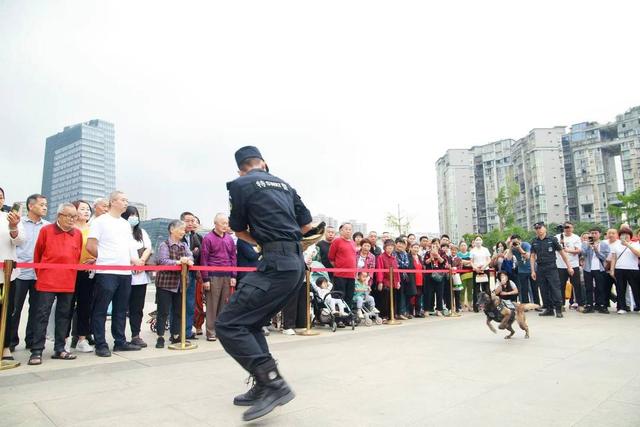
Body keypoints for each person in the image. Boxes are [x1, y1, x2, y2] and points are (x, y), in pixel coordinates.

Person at [215, 146, 313, 421]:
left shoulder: (240, 184)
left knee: (228, 324)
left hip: (274, 262)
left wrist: (261, 240)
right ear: (264, 164)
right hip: (295, 263)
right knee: (251, 321)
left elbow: (237, 229)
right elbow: (307, 226)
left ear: (240, 168)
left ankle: (273, 383)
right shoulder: (285, 184)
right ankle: (263, 383)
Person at [87, 191, 140, 357]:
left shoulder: (125, 224)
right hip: (106, 271)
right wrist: (103, 259)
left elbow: (127, 246)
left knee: (121, 309)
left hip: (124, 272)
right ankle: (100, 344)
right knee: (101, 309)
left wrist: (133, 260)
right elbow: (90, 245)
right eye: (123, 200)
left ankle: (120, 341)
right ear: (113, 202)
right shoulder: (100, 221)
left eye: (127, 200)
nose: (126, 203)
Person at [28, 203, 83, 365]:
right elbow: (38, 254)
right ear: (59, 216)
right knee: (42, 315)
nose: (73, 219)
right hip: (47, 281)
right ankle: (37, 350)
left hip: (68, 281)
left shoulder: (77, 234)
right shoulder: (46, 231)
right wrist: (43, 274)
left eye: (75, 216)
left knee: (64, 315)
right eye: (69, 216)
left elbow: (77, 256)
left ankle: (60, 348)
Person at [10, 193, 48, 351]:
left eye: (46, 204)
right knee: (15, 309)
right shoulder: (18, 224)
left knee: (37, 309)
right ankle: (10, 342)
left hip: (39, 274)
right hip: (19, 272)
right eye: (41, 204)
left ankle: (32, 340)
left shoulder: (47, 226)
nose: (45, 207)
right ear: (30, 206)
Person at [154, 220, 194, 348]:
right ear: (172, 230)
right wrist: (178, 262)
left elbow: (190, 256)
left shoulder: (184, 245)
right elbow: (163, 260)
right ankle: (160, 337)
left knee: (178, 311)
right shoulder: (164, 245)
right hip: (165, 284)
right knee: (163, 311)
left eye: (184, 230)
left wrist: (188, 260)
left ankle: (176, 335)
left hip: (180, 284)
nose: (183, 232)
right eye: (181, 229)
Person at [201, 213, 237, 342]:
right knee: (212, 305)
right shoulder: (208, 238)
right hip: (213, 276)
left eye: (226, 223)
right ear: (215, 223)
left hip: (227, 275)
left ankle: (221, 330)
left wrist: (234, 275)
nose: (225, 226)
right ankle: (211, 331)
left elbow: (233, 257)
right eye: (223, 223)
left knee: (224, 305)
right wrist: (205, 279)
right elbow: (204, 259)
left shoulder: (229, 239)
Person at [0, 186, 25, 362]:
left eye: (1, 197)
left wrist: (13, 227)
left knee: (5, 310)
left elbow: (20, 240)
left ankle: (5, 346)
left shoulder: (9, 218)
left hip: (6, 275)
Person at [530, 221, 575, 318]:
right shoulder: (534, 241)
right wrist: (533, 271)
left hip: (551, 267)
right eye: (537, 228)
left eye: (540, 228)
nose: (539, 230)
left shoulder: (552, 239)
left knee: (555, 288)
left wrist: (569, 266)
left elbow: (562, 253)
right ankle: (549, 309)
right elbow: (532, 256)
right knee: (543, 289)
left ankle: (558, 309)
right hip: (540, 268)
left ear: (545, 228)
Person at [122, 206, 152, 348]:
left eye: (136, 215)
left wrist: (141, 262)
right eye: (131, 215)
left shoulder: (141, 232)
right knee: (121, 307)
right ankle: (120, 337)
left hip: (140, 276)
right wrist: (133, 262)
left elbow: (148, 248)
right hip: (124, 273)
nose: (134, 218)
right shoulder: (120, 231)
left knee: (137, 308)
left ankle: (136, 335)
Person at [70, 200, 97, 352]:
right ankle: (63, 340)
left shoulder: (92, 229)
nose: (86, 211)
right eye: (82, 209)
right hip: (70, 272)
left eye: (88, 209)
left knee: (84, 306)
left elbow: (99, 247)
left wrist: (95, 259)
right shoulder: (69, 229)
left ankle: (82, 338)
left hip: (87, 273)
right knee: (66, 306)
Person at [180, 211, 202, 339]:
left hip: (192, 274)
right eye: (188, 221)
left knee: (190, 303)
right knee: (178, 304)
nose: (191, 223)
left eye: (193, 221)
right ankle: (176, 332)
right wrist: (192, 253)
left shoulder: (196, 237)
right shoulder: (177, 235)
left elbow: (200, 254)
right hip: (179, 274)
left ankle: (187, 331)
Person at [609, 226, 640, 314]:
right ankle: (622, 307)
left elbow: (638, 254)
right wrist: (612, 269)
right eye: (622, 234)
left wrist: (628, 245)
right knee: (620, 288)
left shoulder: (636, 244)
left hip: (633, 269)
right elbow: (614, 258)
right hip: (619, 269)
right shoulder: (617, 245)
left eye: (626, 234)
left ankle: (638, 306)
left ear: (630, 235)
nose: (625, 236)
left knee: (636, 289)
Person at [555, 221, 583, 310]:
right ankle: (562, 304)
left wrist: (567, 250)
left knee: (577, 285)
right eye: (565, 227)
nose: (567, 229)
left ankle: (580, 304)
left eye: (569, 227)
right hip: (560, 265)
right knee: (561, 285)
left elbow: (578, 250)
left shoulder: (576, 238)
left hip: (573, 264)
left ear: (572, 228)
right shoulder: (557, 237)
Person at [581, 227, 610, 314]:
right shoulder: (585, 243)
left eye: (595, 233)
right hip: (588, 268)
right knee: (588, 287)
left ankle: (600, 305)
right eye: (592, 233)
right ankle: (589, 305)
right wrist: (589, 246)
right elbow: (583, 254)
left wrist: (596, 250)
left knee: (600, 288)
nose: (593, 235)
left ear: (599, 234)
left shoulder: (604, 244)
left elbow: (604, 257)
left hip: (599, 268)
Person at [328, 223, 357, 309]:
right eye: (346, 229)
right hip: (340, 275)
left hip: (351, 275)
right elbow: (331, 258)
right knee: (339, 297)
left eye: (350, 229)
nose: (348, 231)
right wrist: (339, 268)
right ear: (341, 231)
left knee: (349, 297)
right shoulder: (337, 241)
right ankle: (339, 318)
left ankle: (348, 316)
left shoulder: (352, 242)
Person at [375, 239, 400, 321]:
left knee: (394, 299)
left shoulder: (394, 258)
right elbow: (380, 270)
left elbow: (396, 271)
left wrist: (398, 281)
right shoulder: (381, 257)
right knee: (385, 299)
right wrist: (380, 282)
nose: (390, 249)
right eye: (388, 247)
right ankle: (384, 315)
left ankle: (392, 314)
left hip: (393, 281)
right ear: (385, 248)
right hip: (385, 281)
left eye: (392, 247)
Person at [511, 235, 537, 306]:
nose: (515, 244)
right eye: (513, 242)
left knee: (534, 288)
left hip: (531, 269)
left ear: (520, 240)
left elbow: (528, 256)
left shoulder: (526, 245)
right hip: (522, 270)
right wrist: (509, 247)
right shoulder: (513, 248)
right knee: (523, 289)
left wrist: (519, 248)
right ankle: (525, 305)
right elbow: (507, 257)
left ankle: (536, 304)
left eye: (516, 242)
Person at [470, 236, 491, 312]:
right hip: (476, 271)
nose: (478, 241)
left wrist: (484, 266)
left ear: (482, 241)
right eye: (476, 240)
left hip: (485, 270)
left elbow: (489, 259)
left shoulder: (485, 249)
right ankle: (476, 307)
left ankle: (488, 306)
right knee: (476, 289)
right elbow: (471, 261)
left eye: (479, 240)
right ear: (474, 242)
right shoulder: (472, 250)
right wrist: (476, 268)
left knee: (486, 288)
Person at [457, 241, 474, 311]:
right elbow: (460, 262)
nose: (463, 247)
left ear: (467, 247)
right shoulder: (458, 254)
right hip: (462, 275)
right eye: (462, 245)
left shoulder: (470, 253)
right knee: (462, 290)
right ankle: (463, 306)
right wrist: (468, 262)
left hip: (470, 274)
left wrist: (465, 262)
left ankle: (470, 305)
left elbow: (473, 262)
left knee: (470, 290)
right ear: (459, 247)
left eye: (464, 245)